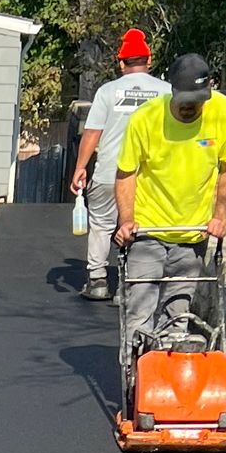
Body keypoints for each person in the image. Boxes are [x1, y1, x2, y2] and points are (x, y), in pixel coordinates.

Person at [112, 52, 226, 367]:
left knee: (178, 314)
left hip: (192, 233)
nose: (191, 107)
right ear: (171, 90)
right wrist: (126, 220)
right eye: (185, 100)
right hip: (148, 230)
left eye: (197, 101)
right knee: (140, 313)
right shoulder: (146, 119)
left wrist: (220, 216)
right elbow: (127, 172)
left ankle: (169, 382)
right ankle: (135, 377)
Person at [71, 28, 167, 300]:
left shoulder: (108, 92)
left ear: (121, 63)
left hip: (109, 172)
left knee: (101, 224)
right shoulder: (167, 93)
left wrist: (80, 167)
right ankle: (127, 287)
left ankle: (98, 280)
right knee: (137, 226)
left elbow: (93, 132)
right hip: (147, 176)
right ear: (149, 61)